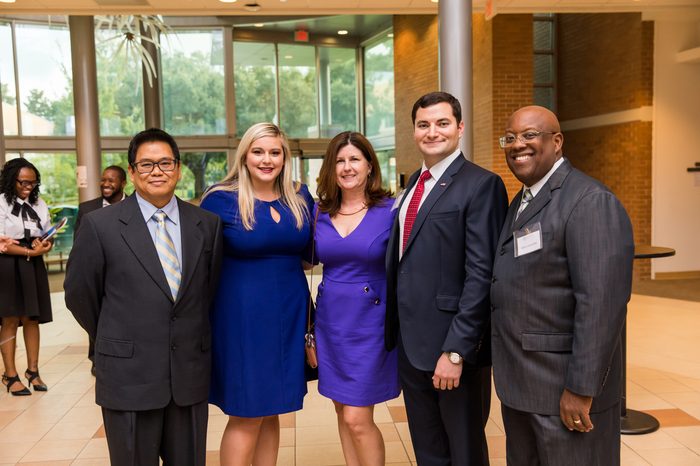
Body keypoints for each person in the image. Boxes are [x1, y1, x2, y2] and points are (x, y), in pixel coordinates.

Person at [64, 128, 223, 466]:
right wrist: (117, 335)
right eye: (147, 164)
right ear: (132, 172)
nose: (157, 171)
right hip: (128, 376)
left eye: (166, 163)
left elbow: (206, 293)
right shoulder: (99, 225)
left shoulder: (207, 224)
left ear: (178, 169)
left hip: (188, 376)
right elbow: (80, 295)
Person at [490, 106, 634, 466]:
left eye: (529, 135)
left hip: (563, 393)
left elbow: (601, 305)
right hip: (524, 387)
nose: (517, 144)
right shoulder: (522, 200)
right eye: (510, 138)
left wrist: (581, 390)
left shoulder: (590, 201)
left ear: (557, 142)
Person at [385, 91, 508, 466]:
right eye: (424, 125)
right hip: (411, 345)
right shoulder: (411, 188)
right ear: (414, 131)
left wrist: (456, 351)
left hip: (452, 349)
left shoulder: (481, 185)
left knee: (464, 450)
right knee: (428, 449)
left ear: (460, 127)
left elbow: (482, 275)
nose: (432, 132)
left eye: (442, 123)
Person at [199, 122, 314, 466]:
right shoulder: (220, 199)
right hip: (242, 319)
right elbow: (200, 263)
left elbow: (310, 256)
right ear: (245, 156)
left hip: (290, 313)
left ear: (284, 157)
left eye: (274, 152)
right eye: (258, 151)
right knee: (247, 411)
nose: (267, 160)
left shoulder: (301, 195)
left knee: (272, 408)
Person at [310, 131, 400, 466]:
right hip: (331, 324)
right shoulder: (318, 212)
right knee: (340, 409)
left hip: (372, 325)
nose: (347, 167)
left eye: (354, 159)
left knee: (356, 418)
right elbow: (304, 259)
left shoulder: (392, 211)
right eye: (339, 161)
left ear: (369, 165)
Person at [0, 158, 54, 396]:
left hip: (33, 263)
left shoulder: (39, 204)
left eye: (33, 182)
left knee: (32, 318)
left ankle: (33, 371)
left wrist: (44, 244)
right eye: (23, 182)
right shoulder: (1, 203)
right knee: (10, 318)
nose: (28, 187)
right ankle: (10, 374)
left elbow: (47, 233)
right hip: (7, 263)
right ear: (12, 179)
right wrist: (29, 251)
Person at [74, 165, 129, 376]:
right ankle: (97, 357)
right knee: (98, 313)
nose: (106, 184)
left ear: (123, 183)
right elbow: (79, 245)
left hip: (125, 272)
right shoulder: (87, 208)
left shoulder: (137, 205)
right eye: (104, 179)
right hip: (97, 273)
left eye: (112, 180)